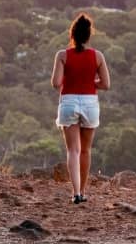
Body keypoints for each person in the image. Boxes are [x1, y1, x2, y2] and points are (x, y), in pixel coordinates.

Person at [51, 13, 111, 204]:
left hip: (68, 102)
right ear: (88, 35)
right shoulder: (98, 56)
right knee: (85, 150)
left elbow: (56, 83)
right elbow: (106, 84)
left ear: (72, 34)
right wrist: (90, 81)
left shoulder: (62, 55)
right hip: (90, 103)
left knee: (73, 151)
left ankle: (75, 193)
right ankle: (83, 192)